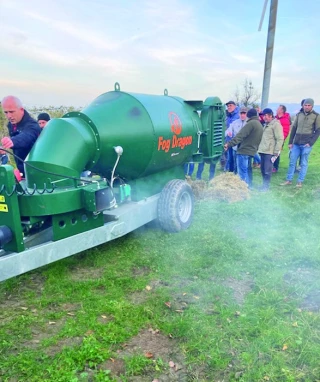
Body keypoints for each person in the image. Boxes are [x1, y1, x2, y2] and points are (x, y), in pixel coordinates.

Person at [281, 98, 320, 188]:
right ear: (303, 105)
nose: (306, 107)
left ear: (312, 106)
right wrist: (290, 142)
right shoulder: (299, 114)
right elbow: (294, 128)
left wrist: (310, 143)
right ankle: (289, 180)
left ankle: (300, 181)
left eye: (308, 105)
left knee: (303, 163)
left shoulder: (316, 116)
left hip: (307, 144)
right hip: (296, 143)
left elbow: (318, 131)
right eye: (305, 105)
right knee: (292, 162)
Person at [0, 96, 41, 177]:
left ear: (21, 110)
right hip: (22, 170)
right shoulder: (11, 125)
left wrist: (12, 141)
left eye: (12, 112)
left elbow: (27, 137)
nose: (9, 116)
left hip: (37, 171)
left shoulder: (32, 125)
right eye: (6, 112)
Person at [224, 108, 263, 187]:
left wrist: (228, 144)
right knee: (247, 170)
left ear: (248, 115)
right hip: (251, 151)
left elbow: (240, 136)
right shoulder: (259, 124)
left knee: (242, 173)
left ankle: (243, 190)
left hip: (243, 151)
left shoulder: (250, 124)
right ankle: (249, 187)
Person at [258, 108, 284, 191]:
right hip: (263, 150)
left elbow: (280, 139)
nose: (264, 117)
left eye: (266, 115)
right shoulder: (266, 124)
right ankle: (264, 185)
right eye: (264, 115)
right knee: (262, 169)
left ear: (270, 115)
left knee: (267, 170)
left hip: (270, 151)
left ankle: (266, 187)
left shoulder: (276, 124)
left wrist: (276, 152)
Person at [225, 107, 248, 174]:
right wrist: (228, 133)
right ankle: (236, 178)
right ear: (239, 114)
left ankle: (247, 181)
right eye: (241, 113)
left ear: (246, 114)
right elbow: (228, 130)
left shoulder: (249, 123)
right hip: (235, 147)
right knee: (236, 163)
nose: (242, 115)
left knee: (245, 166)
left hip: (246, 148)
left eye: (244, 113)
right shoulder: (235, 123)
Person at [273, 105, 291, 172]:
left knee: (277, 152)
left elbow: (286, 131)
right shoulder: (275, 118)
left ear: (282, 110)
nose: (276, 109)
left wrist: (281, 139)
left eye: (278, 108)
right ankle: (270, 165)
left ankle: (275, 167)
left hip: (280, 140)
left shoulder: (285, 120)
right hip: (273, 139)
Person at [224, 100, 240, 172]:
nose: (229, 107)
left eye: (230, 105)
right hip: (229, 139)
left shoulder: (238, 115)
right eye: (228, 106)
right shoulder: (228, 115)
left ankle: (235, 172)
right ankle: (230, 171)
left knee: (235, 157)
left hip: (236, 140)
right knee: (229, 157)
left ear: (235, 106)